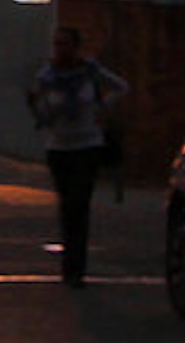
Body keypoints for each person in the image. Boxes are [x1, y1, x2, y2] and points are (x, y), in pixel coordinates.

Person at [23, 25, 129, 284]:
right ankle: (69, 263)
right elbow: (37, 104)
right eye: (57, 44)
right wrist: (40, 111)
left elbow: (122, 87)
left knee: (79, 203)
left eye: (65, 44)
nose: (61, 50)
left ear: (76, 46)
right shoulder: (47, 76)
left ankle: (76, 266)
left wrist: (102, 107)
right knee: (66, 204)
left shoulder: (90, 72)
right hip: (59, 147)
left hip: (87, 146)